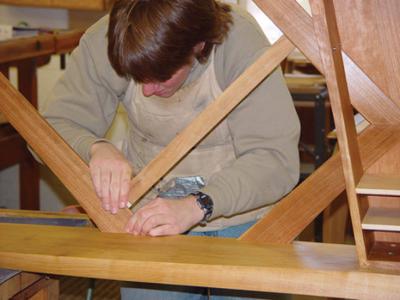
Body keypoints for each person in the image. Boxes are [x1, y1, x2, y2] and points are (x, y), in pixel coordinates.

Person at [43, 0, 300, 298]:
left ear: (199, 45)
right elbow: (49, 132)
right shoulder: (110, 39)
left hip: (245, 214)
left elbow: (276, 159)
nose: (147, 90)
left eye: (160, 77)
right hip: (151, 220)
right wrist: (95, 148)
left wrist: (197, 205)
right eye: (138, 77)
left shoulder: (239, 43)